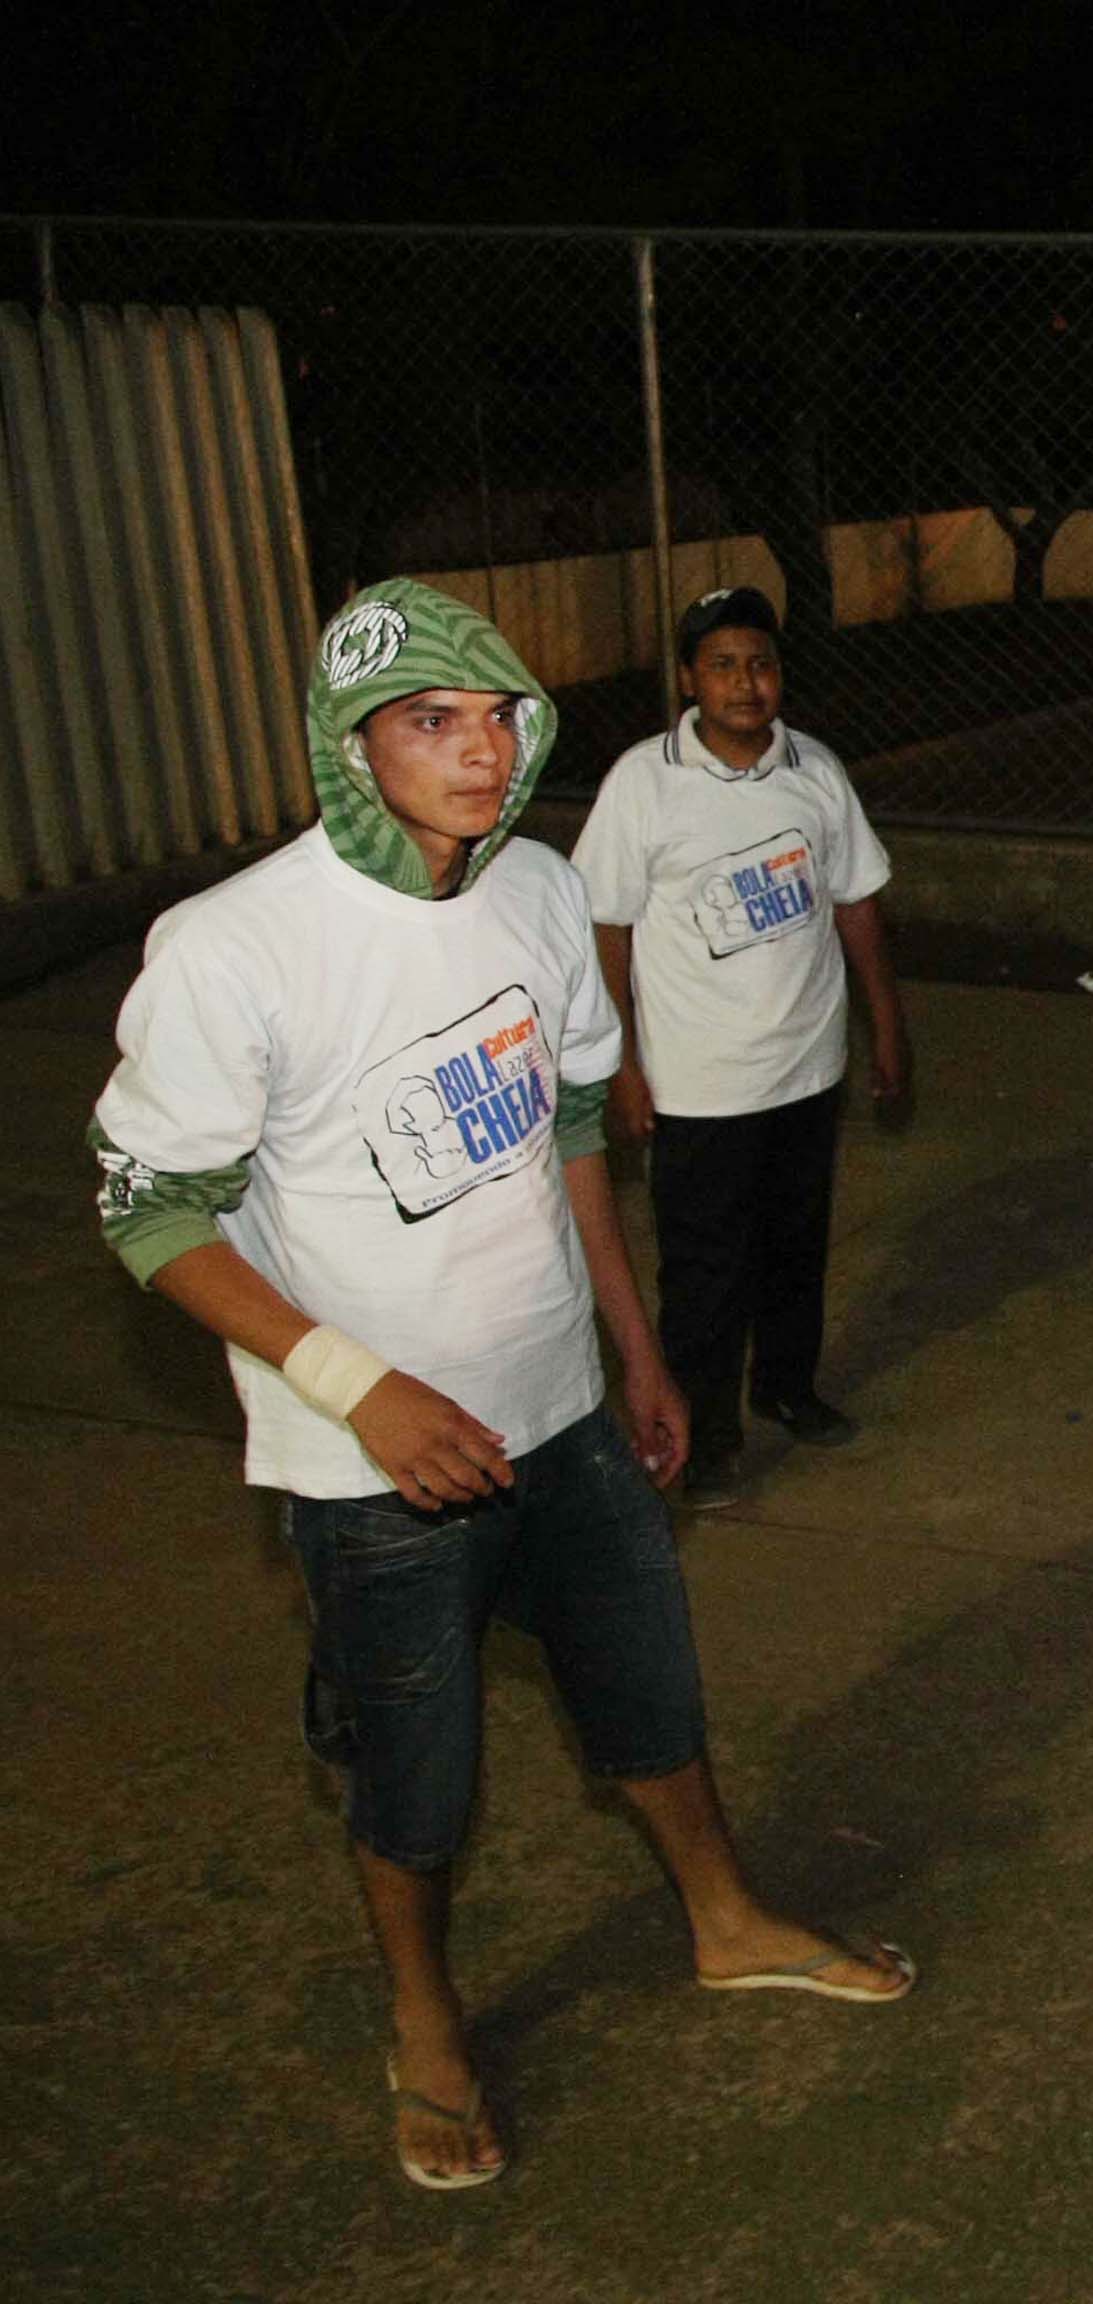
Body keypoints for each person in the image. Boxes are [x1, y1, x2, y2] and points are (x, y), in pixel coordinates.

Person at [86, 580, 912, 2196]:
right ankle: (424, 2019)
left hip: (560, 1406)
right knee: (418, 1764)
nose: (478, 752)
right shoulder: (236, 944)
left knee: (649, 1685)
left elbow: (570, 1125)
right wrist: (356, 1389)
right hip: (368, 1461)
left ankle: (725, 1916)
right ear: (348, 745)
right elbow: (146, 1206)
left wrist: (637, 1338)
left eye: (496, 718)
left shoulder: (535, 886)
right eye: (428, 723)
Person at [572, 587, 907, 1506]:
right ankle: (705, 1435)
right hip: (698, 1085)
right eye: (721, 665)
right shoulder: (645, 781)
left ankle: (789, 1389)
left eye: (759, 663)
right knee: (707, 1271)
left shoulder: (815, 768)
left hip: (806, 1067)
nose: (744, 683)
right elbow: (608, 925)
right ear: (689, 679)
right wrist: (622, 1063)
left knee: (796, 1246)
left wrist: (887, 1022)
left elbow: (855, 900)